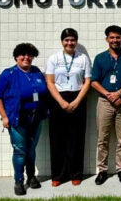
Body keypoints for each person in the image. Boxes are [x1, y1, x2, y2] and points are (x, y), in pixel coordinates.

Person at [0, 43, 49, 196]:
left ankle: (31, 177)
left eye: (30, 55)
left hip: (36, 117)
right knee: (20, 150)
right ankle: (18, 181)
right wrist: (4, 117)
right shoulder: (8, 74)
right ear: (16, 57)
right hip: (18, 119)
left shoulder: (36, 72)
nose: (26, 57)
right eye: (22, 55)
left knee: (31, 149)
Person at [90, 25, 121, 185]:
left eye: (118, 37)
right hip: (105, 102)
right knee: (102, 139)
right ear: (107, 39)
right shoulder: (100, 58)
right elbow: (93, 81)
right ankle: (102, 170)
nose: (115, 40)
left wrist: (119, 93)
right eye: (112, 37)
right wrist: (109, 95)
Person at [45, 28, 91, 186]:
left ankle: (75, 174)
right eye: (66, 40)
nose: (69, 43)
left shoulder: (83, 58)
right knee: (57, 138)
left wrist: (77, 101)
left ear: (76, 41)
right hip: (58, 99)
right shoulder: (54, 58)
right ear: (62, 42)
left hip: (78, 98)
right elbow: (50, 82)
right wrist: (61, 101)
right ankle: (58, 176)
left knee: (76, 138)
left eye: (72, 40)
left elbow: (87, 82)